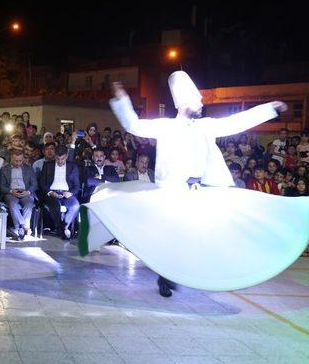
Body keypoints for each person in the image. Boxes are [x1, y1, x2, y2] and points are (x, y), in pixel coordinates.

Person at [80, 72, 307, 299]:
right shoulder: (166, 127)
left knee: (222, 226)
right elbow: (134, 125)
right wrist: (122, 98)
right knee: (172, 236)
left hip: (199, 191)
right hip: (170, 193)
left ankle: (207, 271)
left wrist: (270, 109)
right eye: (196, 100)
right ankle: (167, 275)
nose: (201, 103)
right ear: (183, 103)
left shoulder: (206, 126)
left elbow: (236, 122)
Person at [39, 145, 80, 240]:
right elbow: (42, 183)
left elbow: (77, 186)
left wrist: (70, 193)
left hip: (67, 193)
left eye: (62, 159)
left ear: (67, 156)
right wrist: (50, 192)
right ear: (54, 156)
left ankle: (63, 227)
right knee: (55, 206)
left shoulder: (73, 167)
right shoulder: (48, 165)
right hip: (52, 193)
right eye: (57, 159)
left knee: (75, 206)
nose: (60, 161)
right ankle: (63, 230)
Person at [0, 150, 37, 240]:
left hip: (25, 192)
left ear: (23, 159)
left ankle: (19, 228)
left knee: (29, 203)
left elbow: (34, 184)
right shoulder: (4, 169)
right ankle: (24, 227)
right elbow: (2, 186)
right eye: (16, 161)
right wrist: (11, 191)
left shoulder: (29, 169)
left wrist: (27, 192)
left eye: (20, 160)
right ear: (11, 158)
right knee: (13, 204)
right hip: (11, 192)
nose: (18, 163)